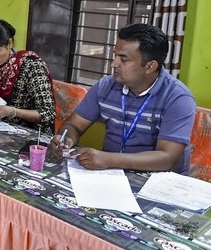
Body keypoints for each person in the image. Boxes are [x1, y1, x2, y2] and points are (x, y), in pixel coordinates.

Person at [50, 23, 196, 174]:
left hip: (157, 183)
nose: (114, 64)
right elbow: (74, 125)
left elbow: (167, 158)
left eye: (123, 59)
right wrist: (66, 139)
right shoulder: (106, 86)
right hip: (112, 174)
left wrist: (108, 159)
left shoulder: (178, 98)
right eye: (115, 55)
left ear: (150, 66)